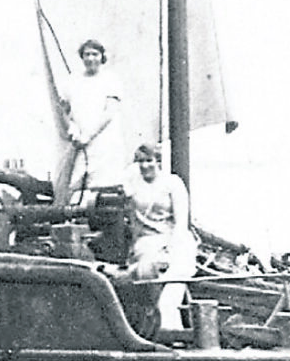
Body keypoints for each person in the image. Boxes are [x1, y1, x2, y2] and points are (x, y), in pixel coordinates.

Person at [123, 143, 198, 330]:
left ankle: (171, 325)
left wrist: (170, 249)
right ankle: (161, 327)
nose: (144, 166)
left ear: (158, 162)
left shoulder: (173, 183)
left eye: (149, 161)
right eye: (140, 161)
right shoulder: (133, 186)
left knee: (174, 280)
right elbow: (133, 223)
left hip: (174, 238)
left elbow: (181, 222)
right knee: (146, 273)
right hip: (147, 242)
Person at [52, 39, 127, 205]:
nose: (91, 58)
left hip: (104, 142)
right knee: (76, 184)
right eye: (87, 54)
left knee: (104, 184)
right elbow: (63, 110)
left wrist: (89, 135)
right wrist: (72, 127)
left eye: (95, 54)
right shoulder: (72, 81)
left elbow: (109, 112)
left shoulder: (110, 80)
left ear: (101, 57)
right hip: (80, 142)